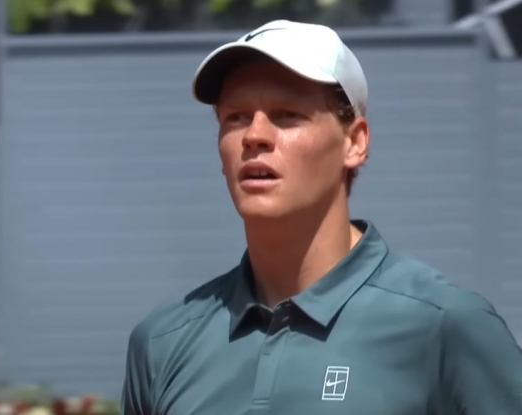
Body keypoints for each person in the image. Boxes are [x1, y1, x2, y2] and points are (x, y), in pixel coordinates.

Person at [121, 19, 522, 415]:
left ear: (354, 142)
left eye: (286, 114)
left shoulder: (445, 326)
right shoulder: (162, 342)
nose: (254, 136)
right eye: (236, 117)